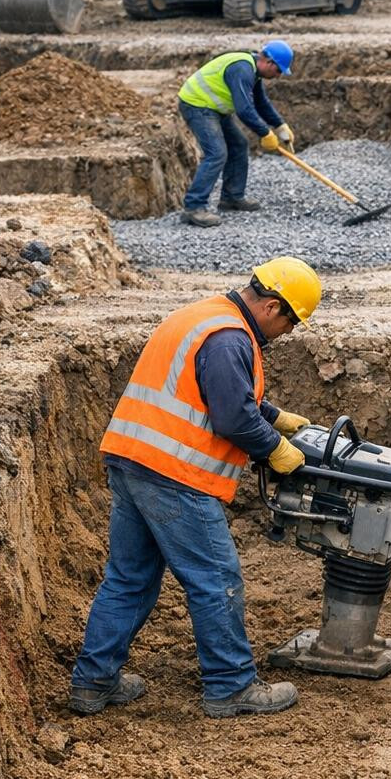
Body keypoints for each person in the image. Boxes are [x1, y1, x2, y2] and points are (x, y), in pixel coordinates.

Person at [68, 256, 322, 719]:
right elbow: (230, 416)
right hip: (173, 474)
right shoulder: (230, 339)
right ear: (271, 307)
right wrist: (275, 448)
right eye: (292, 323)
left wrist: (273, 417)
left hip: (132, 459)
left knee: (129, 578)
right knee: (215, 579)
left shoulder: (205, 316)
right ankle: (230, 685)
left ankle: (93, 682)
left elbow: (213, 392)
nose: (288, 333)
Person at [177, 41, 297, 228]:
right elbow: (244, 109)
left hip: (214, 108)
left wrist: (279, 125)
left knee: (239, 145)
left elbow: (260, 102)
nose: (278, 75)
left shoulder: (253, 72)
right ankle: (194, 208)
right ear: (269, 63)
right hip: (197, 105)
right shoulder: (242, 70)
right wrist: (265, 133)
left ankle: (231, 197)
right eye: (278, 71)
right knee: (217, 153)